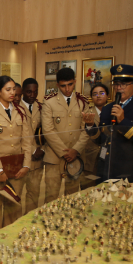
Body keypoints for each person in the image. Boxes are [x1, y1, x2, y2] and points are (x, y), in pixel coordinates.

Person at [83, 64, 133, 183]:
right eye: (116, 84)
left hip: (131, 172)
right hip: (106, 169)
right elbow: (102, 140)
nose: (119, 88)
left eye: (123, 84)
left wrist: (123, 121)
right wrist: (90, 126)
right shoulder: (108, 108)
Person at [0, 76, 31, 232]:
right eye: (8, 89)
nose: (12, 93)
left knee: (13, 208)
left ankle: (11, 239)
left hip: (17, 169)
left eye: (13, 89)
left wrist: (27, 165)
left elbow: (27, 141)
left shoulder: (20, 111)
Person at [42, 68, 91, 204]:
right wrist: (65, 152)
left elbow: (86, 129)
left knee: (72, 196)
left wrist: (75, 150)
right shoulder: (49, 102)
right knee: (51, 196)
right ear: (57, 85)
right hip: (54, 157)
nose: (67, 89)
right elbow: (48, 130)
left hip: (76, 156)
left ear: (75, 82)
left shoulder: (82, 102)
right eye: (63, 86)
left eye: (70, 84)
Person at [18, 78, 44, 215]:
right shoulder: (15, 107)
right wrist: (33, 149)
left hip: (37, 160)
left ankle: (28, 223)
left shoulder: (41, 108)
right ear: (22, 91)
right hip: (21, 160)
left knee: (34, 194)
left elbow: (46, 132)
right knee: (16, 195)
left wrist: (41, 150)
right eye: (29, 92)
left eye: (35, 92)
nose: (32, 95)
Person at [80, 84, 108, 189]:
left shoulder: (113, 111)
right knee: (88, 189)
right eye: (95, 94)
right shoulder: (87, 113)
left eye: (102, 93)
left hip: (107, 160)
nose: (98, 96)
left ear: (107, 95)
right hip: (89, 158)